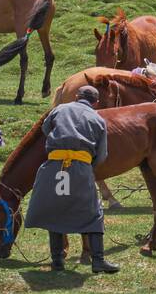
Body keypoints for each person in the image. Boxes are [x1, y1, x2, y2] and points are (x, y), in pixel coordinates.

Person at [24, 85, 119, 274]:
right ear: (96, 102)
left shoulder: (60, 109)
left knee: (56, 209)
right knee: (94, 211)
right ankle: (98, 260)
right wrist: (86, 166)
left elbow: (45, 128)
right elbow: (102, 154)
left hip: (55, 167)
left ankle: (57, 261)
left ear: (76, 97)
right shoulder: (98, 119)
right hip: (80, 168)